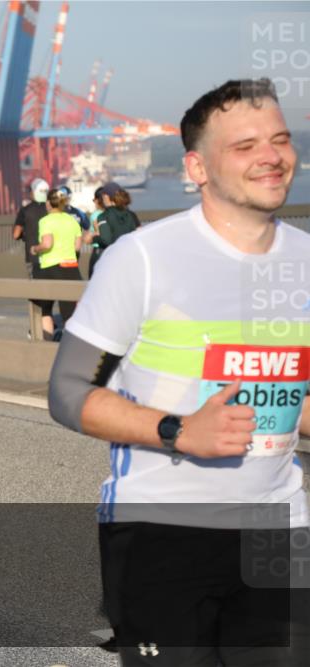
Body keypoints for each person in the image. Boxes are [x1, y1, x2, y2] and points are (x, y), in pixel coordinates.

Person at [48, 78, 310, 666]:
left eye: (280, 139)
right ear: (197, 167)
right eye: (243, 147)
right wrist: (178, 430)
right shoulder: (141, 259)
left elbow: (294, 393)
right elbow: (67, 392)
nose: (271, 156)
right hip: (160, 532)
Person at [29, 188, 82, 339]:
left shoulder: (46, 221)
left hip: (51, 268)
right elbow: (77, 247)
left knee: (45, 310)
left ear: (48, 203)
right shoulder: (72, 220)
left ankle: (47, 346)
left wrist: (35, 248)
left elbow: (47, 244)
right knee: (70, 314)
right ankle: (71, 347)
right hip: (71, 267)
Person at [91, 181, 141, 264]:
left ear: (106, 197)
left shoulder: (103, 216)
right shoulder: (131, 214)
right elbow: (139, 233)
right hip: (130, 257)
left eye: (103, 196)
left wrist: (94, 238)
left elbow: (106, 240)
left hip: (113, 259)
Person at [12, 178, 50, 278]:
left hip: (33, 255)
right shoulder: (52, 210)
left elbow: (16, 235)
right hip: (51, 255)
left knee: (36, 286)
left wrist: (23, 234)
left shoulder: (25, 210)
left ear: (33, 192)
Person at [84, 187, 107, 278]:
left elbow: (97, 233)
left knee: (93, 277)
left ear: (98, 201)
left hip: (98, 250)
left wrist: (89, 236)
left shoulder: (96, 215)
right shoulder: (111, 213)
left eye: (94, 200)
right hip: (112, 248)